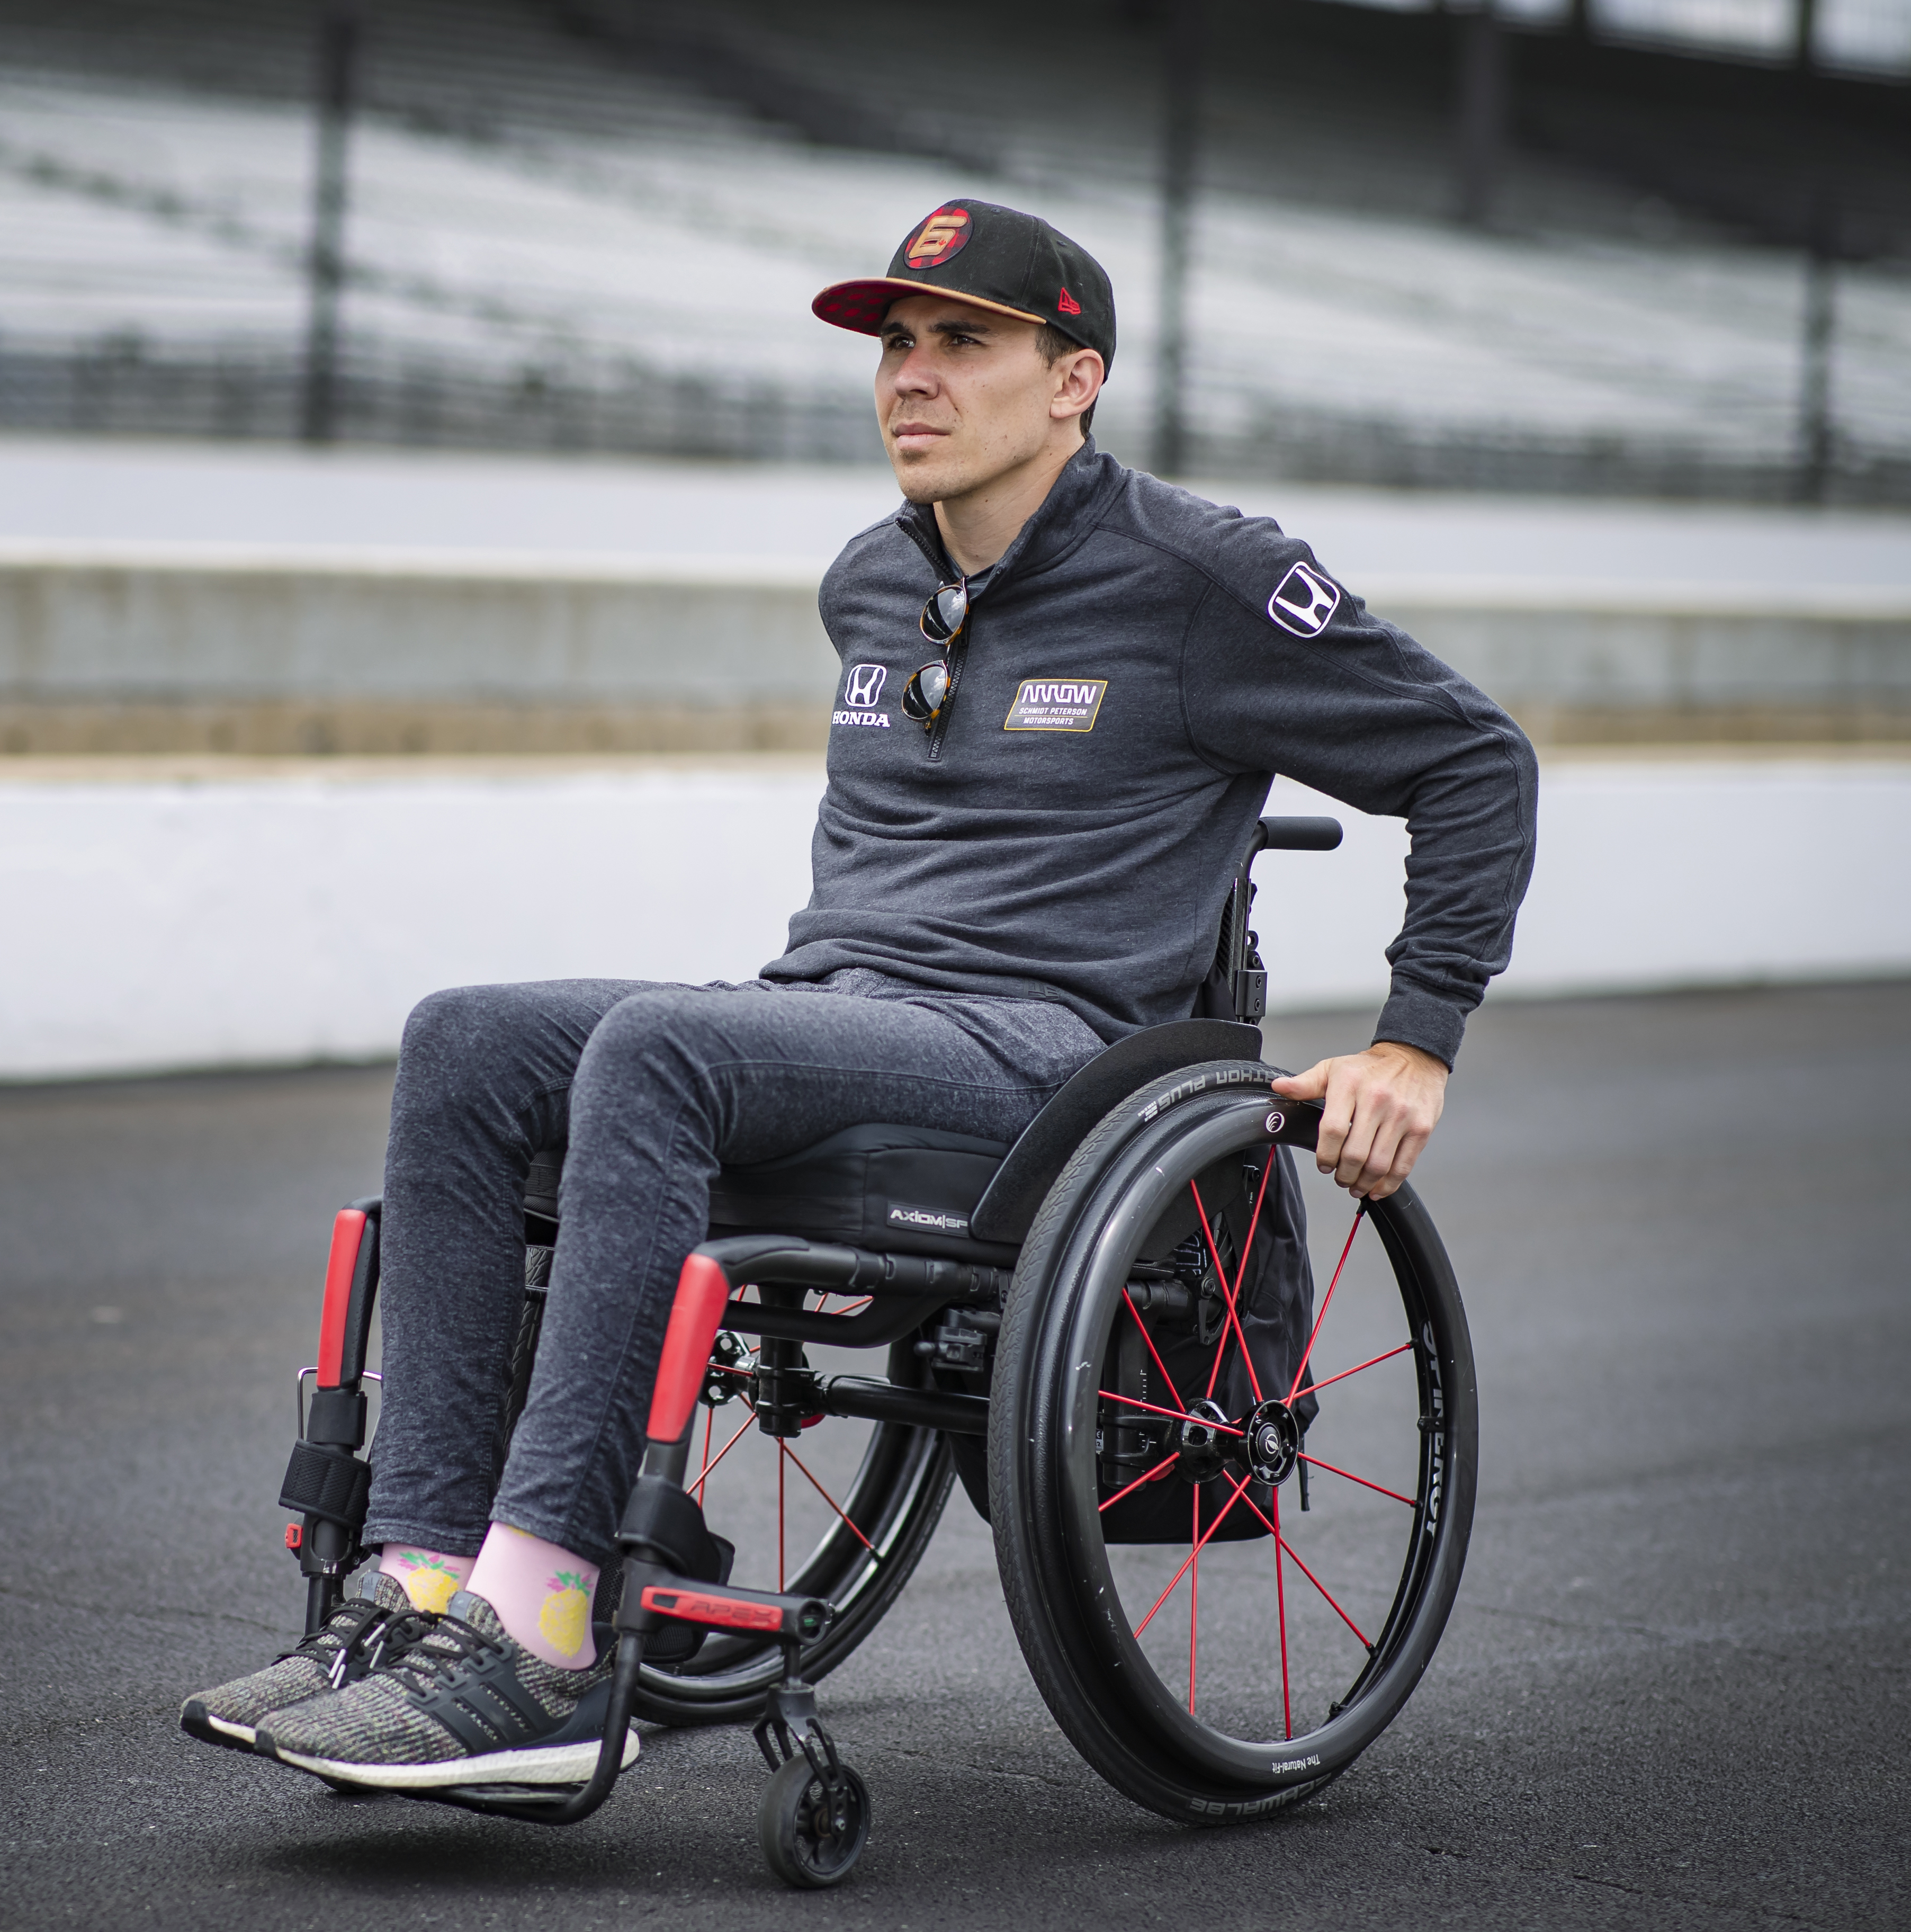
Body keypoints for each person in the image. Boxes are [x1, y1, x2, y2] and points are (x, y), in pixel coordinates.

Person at [183, 200, 1537, 1792]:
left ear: (1073, 378)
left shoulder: (1202, 578)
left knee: (660, 1051)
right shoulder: (867, 585)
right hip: (846, 1012)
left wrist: (1413, 1038)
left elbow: (1474, 762)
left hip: (1046, 1056)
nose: (912, 375)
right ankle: (419, 1588)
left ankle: (538, 1629)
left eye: (964, 342)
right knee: (466, 1040)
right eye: (896, 345)